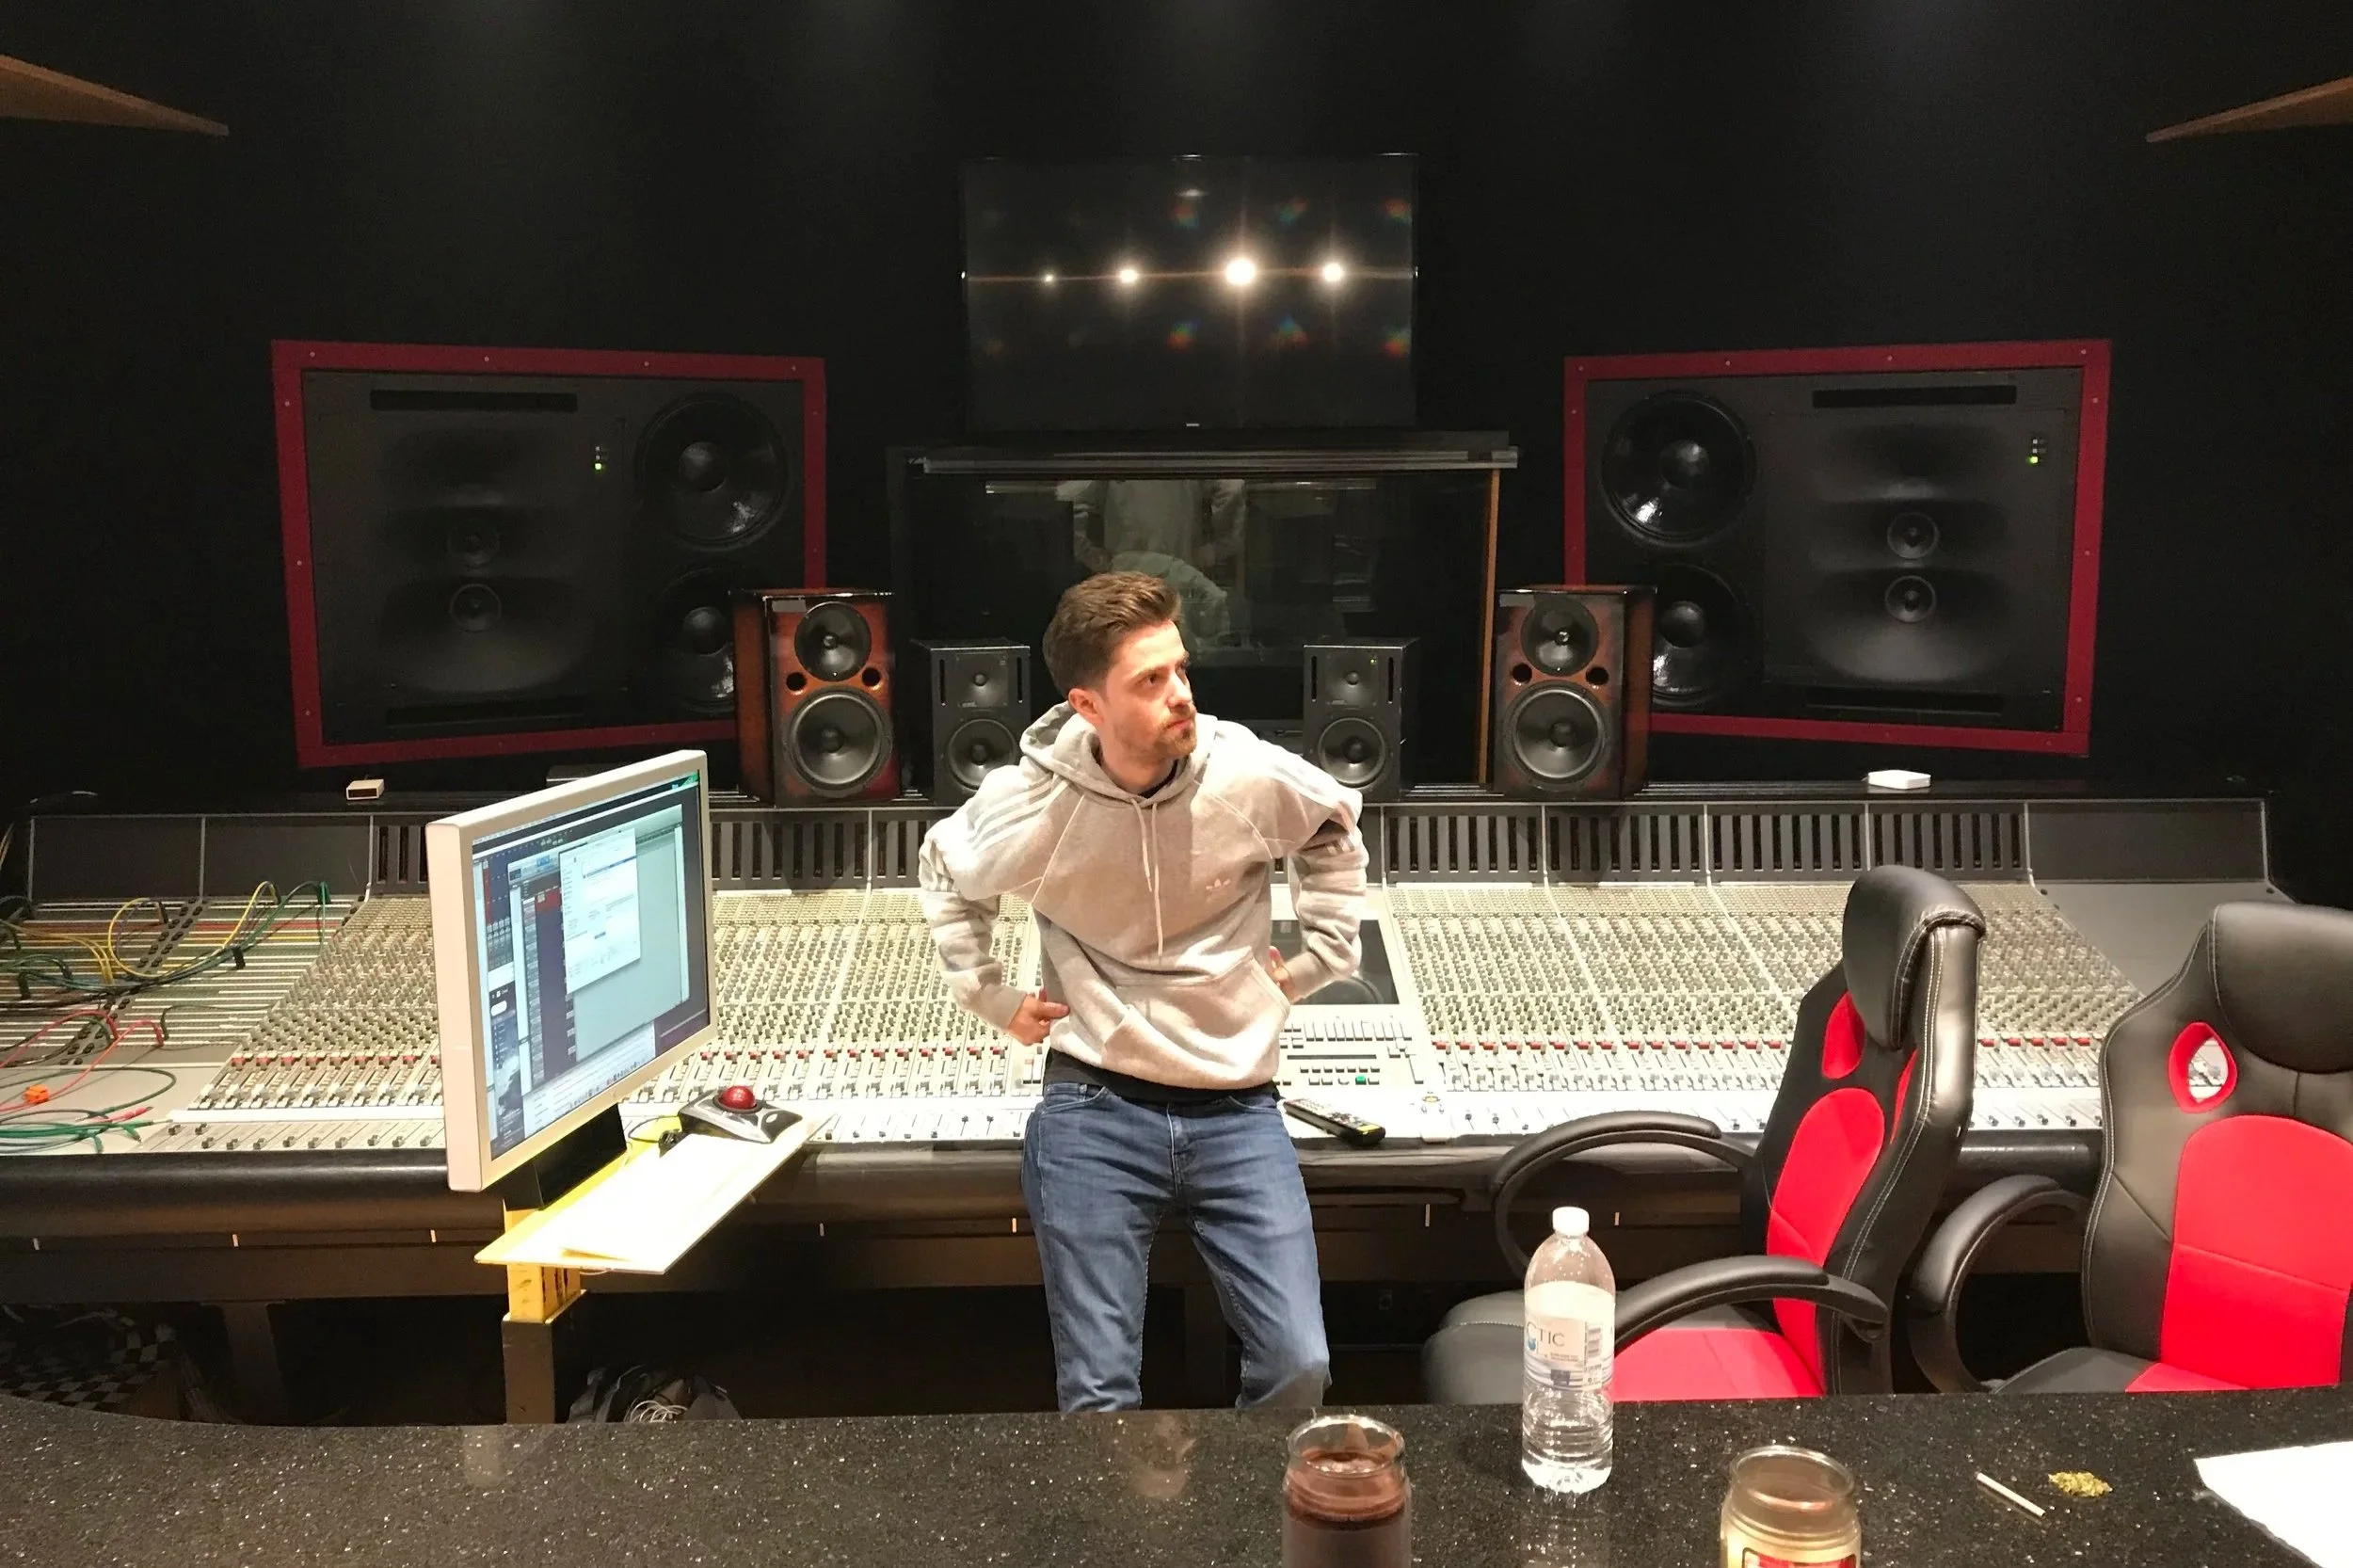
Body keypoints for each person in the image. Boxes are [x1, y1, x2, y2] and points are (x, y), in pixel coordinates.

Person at [918, 570, 1368, 1412]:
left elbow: (1333, 827)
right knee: (1099, 1395)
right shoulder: (1037, 803)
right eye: (1150, 681)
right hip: (1095, 1105)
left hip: (1237, 1105)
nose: (1180, 697)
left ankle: (1236, 1528)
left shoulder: (1243, 775)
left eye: (1182, 671)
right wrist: (989, 996)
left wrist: (1319, 961)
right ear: (1088, 706)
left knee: (1300, 1366)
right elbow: (945, 869)